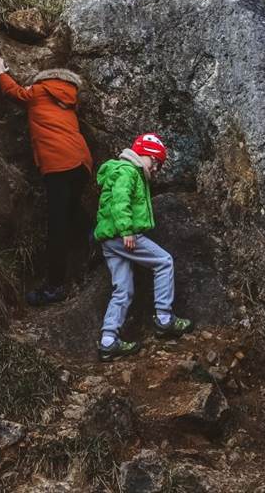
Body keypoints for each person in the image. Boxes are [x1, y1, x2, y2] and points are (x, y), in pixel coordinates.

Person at [0, 56, 92, 305]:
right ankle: (99, 240)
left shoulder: (38, 92)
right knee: (72, 211)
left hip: (58, 163)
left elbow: (13, 92)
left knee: (57, 226)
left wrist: (0, 71)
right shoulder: (69, 99)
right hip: (81, 162)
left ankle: (55, 285)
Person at [93, 133, 193, 362]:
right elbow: (120, 201)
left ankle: (108, 341)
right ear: (143, 154)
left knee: (122, 289)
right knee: (164, 261)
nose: (156, 168)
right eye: (155, 161)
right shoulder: (128, 171)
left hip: (110, 239)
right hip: (122, 236)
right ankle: (165, 318)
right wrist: (127, 230)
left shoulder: (125, 171)